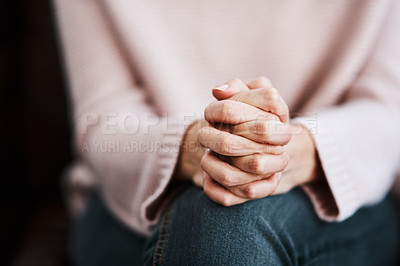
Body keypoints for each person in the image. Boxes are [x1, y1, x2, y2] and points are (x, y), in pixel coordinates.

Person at [54, 0, 400, 265]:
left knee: (222, 225)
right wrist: (197, 147)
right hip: (130, 200)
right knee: (215, 221)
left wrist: (292, 148)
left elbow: (387, 112)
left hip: (345, 191)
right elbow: (103, 121)